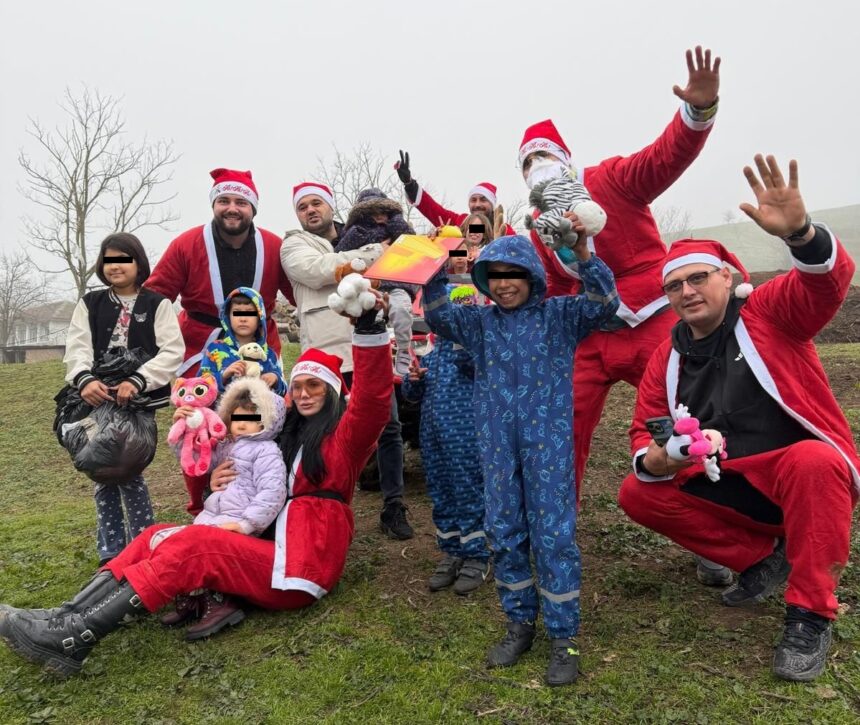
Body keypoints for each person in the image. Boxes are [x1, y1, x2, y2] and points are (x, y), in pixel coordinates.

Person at [0, 294, 394, 678]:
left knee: (197, 546)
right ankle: (65, 615)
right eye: (299, 386)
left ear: (333, 393)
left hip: (302, 564)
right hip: (266, 546)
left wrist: (369, 331)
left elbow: (373, 402)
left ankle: (76, 637)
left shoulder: (345, 440)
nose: (304, 394)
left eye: (315, 387)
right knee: (154, 535)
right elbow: (237, 477)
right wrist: (211, 486)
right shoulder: (280, 437)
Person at [617, 155, 858, 682]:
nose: (687, 292)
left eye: (698, 278)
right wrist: (658, 457)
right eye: (674, 286)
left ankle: (811, 613)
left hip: (796, 483)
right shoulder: (666, 357)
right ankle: (762, 558)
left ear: (725, 277)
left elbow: (825, 285)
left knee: (815, 460)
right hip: (727, 485)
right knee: (637, 491)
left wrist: (801, 233)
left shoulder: (768, 313)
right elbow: (647, 430)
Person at [518, 46, 730, 586]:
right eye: (527, 163)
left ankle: (710, 532)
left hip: (653, 319)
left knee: (683, 416)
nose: (536, 167)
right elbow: (553, 287)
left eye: (543, 156)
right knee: (560, 422)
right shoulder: (540, 224)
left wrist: (697, 111)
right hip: (592, 333)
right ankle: (553, 526)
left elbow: (664, 157)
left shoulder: (610, 180)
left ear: (567, 160)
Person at [422, 231, 618, 686]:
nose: (504, 283)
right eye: (495, 276)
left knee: (553, 536)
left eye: (514, 274)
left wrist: (585, 256)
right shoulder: (478, 324)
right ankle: (519, 623)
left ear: (532, 276)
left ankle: (564, 637)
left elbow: (604, 303)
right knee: (505, 532)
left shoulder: (560, 316)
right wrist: (433, 268)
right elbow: (438, 314)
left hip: (547, 447)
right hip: (496, 448)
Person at [146, 168, 295, 515]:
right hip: (200, 345)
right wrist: (151, 343)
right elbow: (155, 296)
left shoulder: (274, 246)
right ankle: (201, 502)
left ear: (253, 208)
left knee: (262, 418)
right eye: (224, 200)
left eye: (241, 202)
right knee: (196, 423)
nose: (232, 208)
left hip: (260, 349)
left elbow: (301, 293)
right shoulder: (186, 244)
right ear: (213, 205)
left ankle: (262, 495)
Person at [281, 182, 414, 540]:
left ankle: (393, 505)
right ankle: (328, 510)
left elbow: (389, 277)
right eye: (303, 206)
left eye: (316, 203)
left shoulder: (360, 230)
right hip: (327, 358)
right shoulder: (294, 244)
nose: (310, 210)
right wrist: (377, 252)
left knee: (389, 426)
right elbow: (319, 270)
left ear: (331, 206)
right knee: (326, 434)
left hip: (369, 346)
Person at [62, 233, 184, 565]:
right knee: (100, 468)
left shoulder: (157, 304)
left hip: (137, 402)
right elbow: (77, 346)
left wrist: (138, 380)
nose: (115, 266)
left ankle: (142, 545)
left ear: (138, 263)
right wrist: (84, 379)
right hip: (96, 400)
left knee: (128, 467)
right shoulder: (91, 303)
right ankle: (112, 552)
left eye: (123, 259)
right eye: (109, 260)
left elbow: (172, 351)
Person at [160, 376, 287, 639]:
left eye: (251, 419)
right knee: (190, 545)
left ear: (267, 420)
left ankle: (221, 600)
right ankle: (195, 595)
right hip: (213, 513)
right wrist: (182, 434)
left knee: (209, 552)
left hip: (237, 518)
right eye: (237, 417)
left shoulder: (266, 451)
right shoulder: (227, 446)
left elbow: (272, 491)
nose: (241, 424)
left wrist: (247, 524)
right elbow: (201, 459)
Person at [401, 284, 489, 595]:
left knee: (468, 492)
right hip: (433, 437)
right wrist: (414, 381)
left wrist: (462, 342)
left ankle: (477, 553)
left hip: (466, 438)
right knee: (441, 492)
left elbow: (479, 373)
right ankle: (452, 549)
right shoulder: (431, 352)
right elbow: (411, 395)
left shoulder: (475, 349)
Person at [336, 188, 418, 376]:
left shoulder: (398, 229)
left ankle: (404, 349)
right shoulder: (356, 231)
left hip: (397, 283)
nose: (379, 216)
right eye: (373, 212)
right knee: (374, 319)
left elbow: (412, 242)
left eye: (383, 211)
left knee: (402, 311)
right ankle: (378, 358)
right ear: (363, 214)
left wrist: (395, 220)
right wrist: (366, 237)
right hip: (372, 286)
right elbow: (340, 253)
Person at [394, 151, 516, 235]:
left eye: (483, 200)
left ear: (492, 204)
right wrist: (409, 184)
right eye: (473, 200)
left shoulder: (505, 231)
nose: (477, 204)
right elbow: (432, 209)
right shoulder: (459, 222)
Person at [199, 287, 288, 395]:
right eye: (237, 313)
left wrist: (276, 379)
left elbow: (284, 391)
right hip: (223, 405)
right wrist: (223, 375)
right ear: (228, 317)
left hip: (258, 404)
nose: (243, 319)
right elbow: (200, 386)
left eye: (250, 313)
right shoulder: (215, 349)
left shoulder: (268, 354)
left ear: (260, 318)